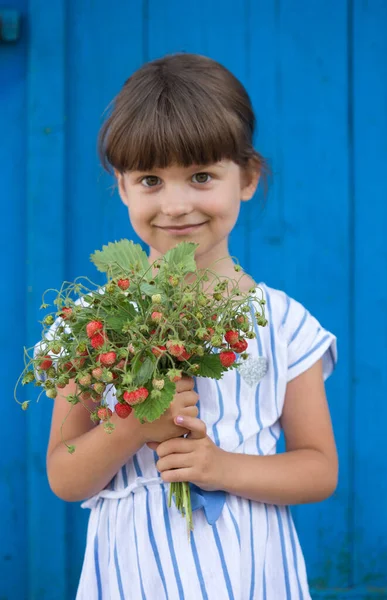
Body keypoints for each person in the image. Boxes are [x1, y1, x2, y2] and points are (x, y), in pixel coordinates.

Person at [46, 53, 338, 599]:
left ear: (247, 178)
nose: (176, 205)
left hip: (252, 572)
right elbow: (65, 476)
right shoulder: (95, 324)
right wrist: (134, 425)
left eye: (201, 176)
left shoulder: (282, 322)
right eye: (151, 179)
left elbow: (319, 469)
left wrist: (220, 466)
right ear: (123, 186)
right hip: (135, 574)